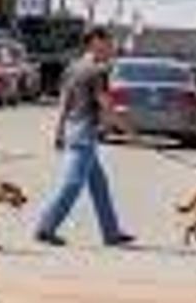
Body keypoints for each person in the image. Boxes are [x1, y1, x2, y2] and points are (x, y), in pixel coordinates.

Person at [35, 27, 136, 247]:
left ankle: (111, 232)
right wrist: (127, 129)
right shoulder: (98, 70)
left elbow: (65, 102)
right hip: (84, 131)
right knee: (72, 183)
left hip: (73, 127)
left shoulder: (73, 67)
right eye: (108, 43)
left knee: (99, 185)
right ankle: (45, 227)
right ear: (95, 42)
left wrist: (59, 130)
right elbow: (105, 104)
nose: (111, 48)